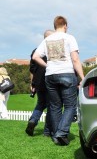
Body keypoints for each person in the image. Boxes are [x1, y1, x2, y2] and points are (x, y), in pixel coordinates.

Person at [32, 16, 85, 146]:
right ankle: (61, 133)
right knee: (70, 106)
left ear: (55, 26)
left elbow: (35, 56)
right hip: (66, 73)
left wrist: (48, 65)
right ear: (65, 25)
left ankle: (56, 136)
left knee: (55, 106)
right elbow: (75, 59)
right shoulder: (69, 38)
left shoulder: (47, 39)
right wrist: (83, 78)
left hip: (50, 75)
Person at [25, 30, 54, 136]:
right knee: (51, 105)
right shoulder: (53, 50)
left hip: (38, 83)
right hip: (50, 82)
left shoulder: (35, 51)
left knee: (40, 104)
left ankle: (33, 121)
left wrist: (32, 84)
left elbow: (32, 70)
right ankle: (47, 131)